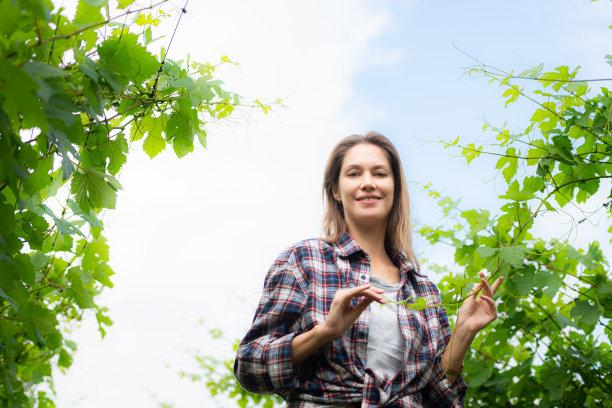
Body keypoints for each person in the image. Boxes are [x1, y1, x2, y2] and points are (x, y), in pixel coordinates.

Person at [234, 132, 503, 407]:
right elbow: (249, 367)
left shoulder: (422, 290)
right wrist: (324, 332)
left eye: (379, 173)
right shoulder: (305, 260)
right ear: (336, 190)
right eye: (353, 174)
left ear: (395, 187)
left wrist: (463, 334)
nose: (367, 183)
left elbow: (440, 400)